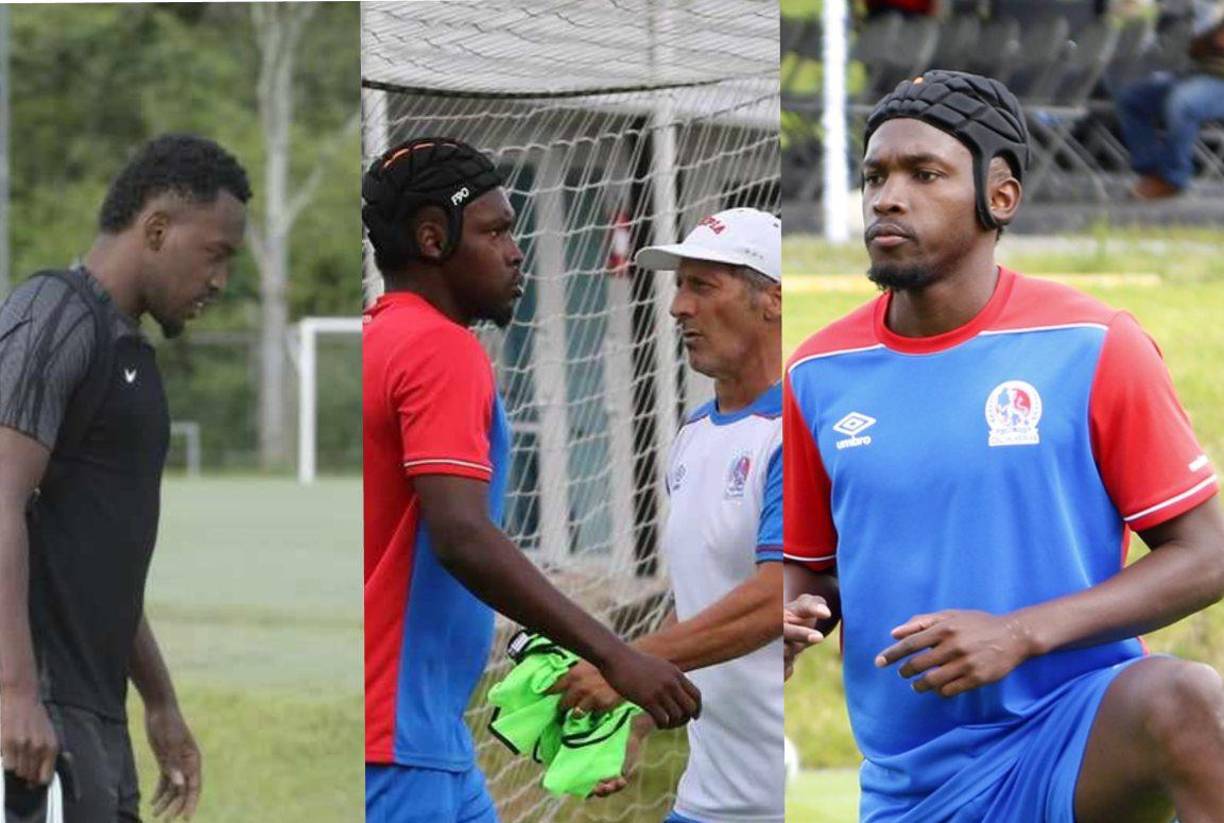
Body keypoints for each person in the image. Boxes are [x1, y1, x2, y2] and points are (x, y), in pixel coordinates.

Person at [784, 70, 1224, 822]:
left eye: (925, 174)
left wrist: (1020, 634)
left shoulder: (1093, 343)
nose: (888, 197)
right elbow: (811, 577)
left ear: (1001, 197)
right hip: (912, 781)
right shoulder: (817, 372)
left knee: (1191, 704)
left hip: (1076, 732)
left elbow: (1208, 552)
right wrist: (786, 621)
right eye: (875, 175)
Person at [360, 137, 701, 823]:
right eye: (495, 231)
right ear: (433, 238)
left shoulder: (379, 336)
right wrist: (616, 656)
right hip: (396, 733)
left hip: (430, 729)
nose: (516, 251)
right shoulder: (439, 347)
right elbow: (461, 536)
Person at [0, 134, 250, 822]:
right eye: (216, 254)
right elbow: (0, 500)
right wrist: (14, 691)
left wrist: (161, 700)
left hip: (95, 709)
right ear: (158, 228)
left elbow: (96, 558)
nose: (220, 281)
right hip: (38, 712)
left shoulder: (126, 351)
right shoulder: (53, 314)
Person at [553, 208, 784, 823]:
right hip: (711, 799)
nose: (679, 306)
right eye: (679, 286)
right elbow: (704, 597)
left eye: (703, 286)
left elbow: (776, 597)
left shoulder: (803, 432)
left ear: (774, 302)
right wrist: (635, 710)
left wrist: (624, 668)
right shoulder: (694, 433)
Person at [1116, 0, 1224, 198]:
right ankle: (1151, 170)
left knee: (1183, 103)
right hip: (1199, 73)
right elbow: (1196, 49)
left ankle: (1173, 177)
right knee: (1133, 98)